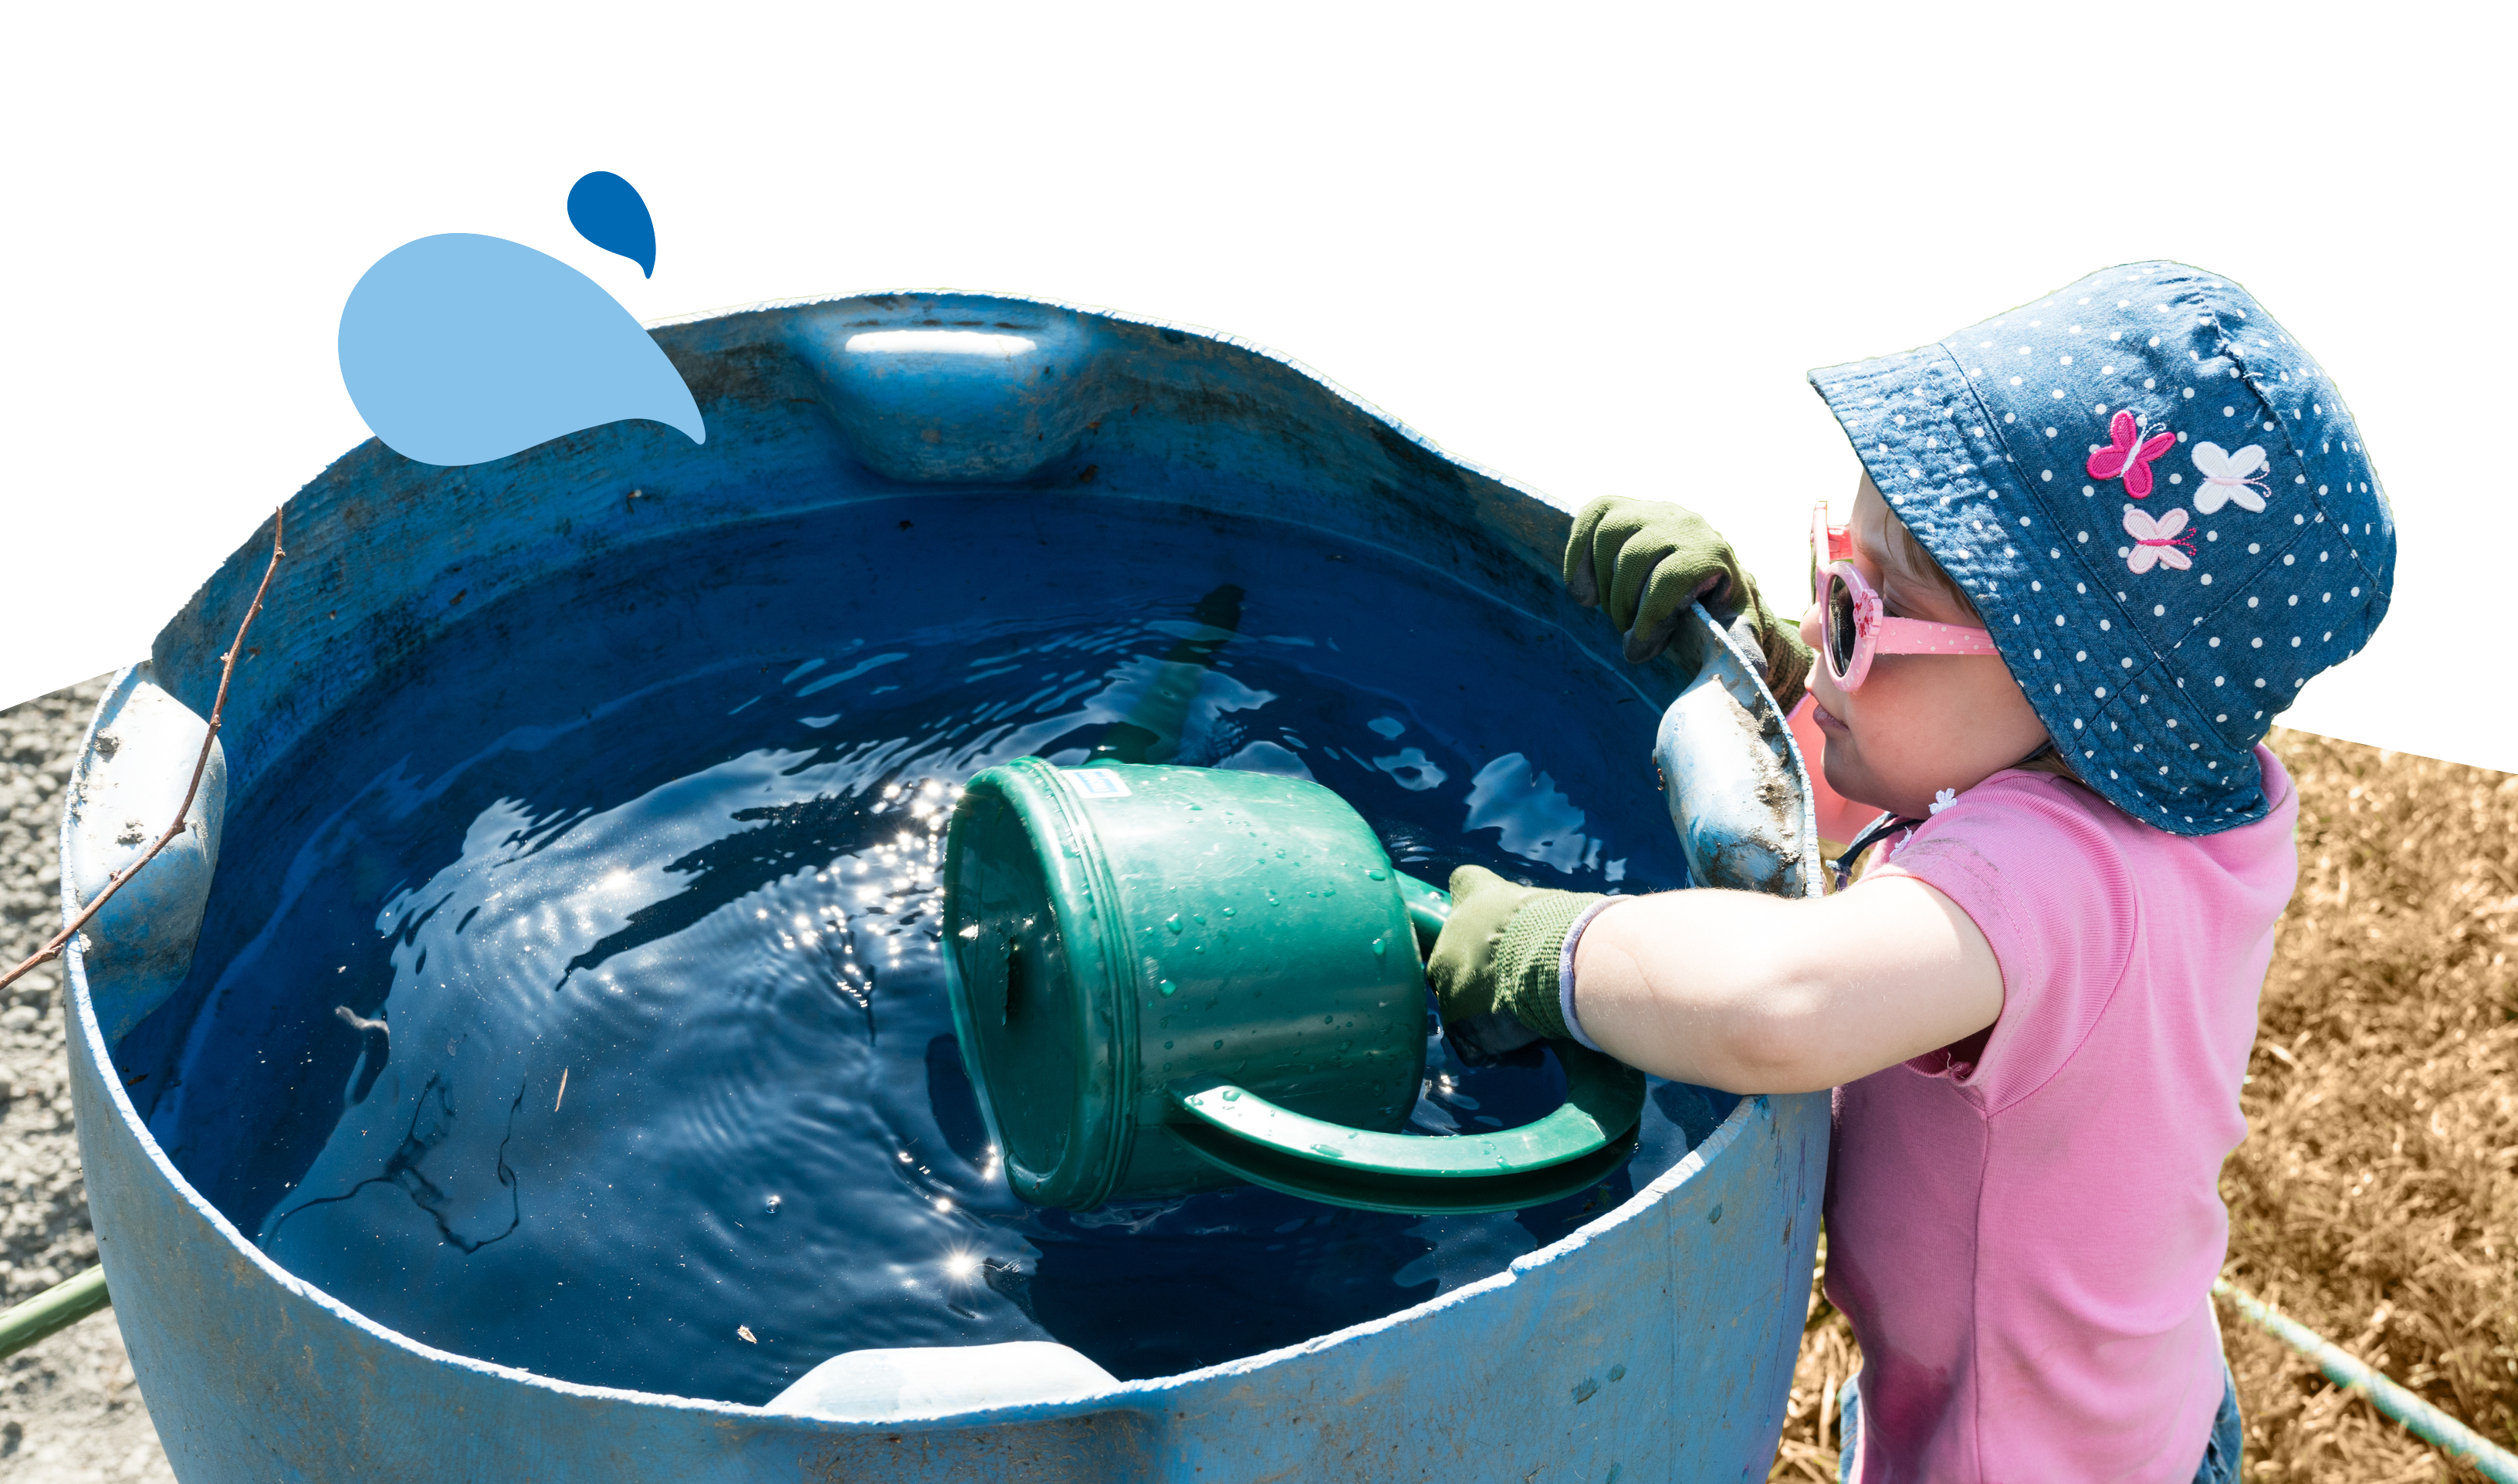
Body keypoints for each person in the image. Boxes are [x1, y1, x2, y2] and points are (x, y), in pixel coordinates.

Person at [1427, 261, 2393, 1484]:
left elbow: (1778, 1002)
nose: (1828, 628)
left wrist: (1543, 950)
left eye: (1859, 615)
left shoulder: (2051, 879)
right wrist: (1768, 670)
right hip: (2133, 1419)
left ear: (2065, 696)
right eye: (1836, 567)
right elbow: (1913, 795)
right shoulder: (2172, 801)